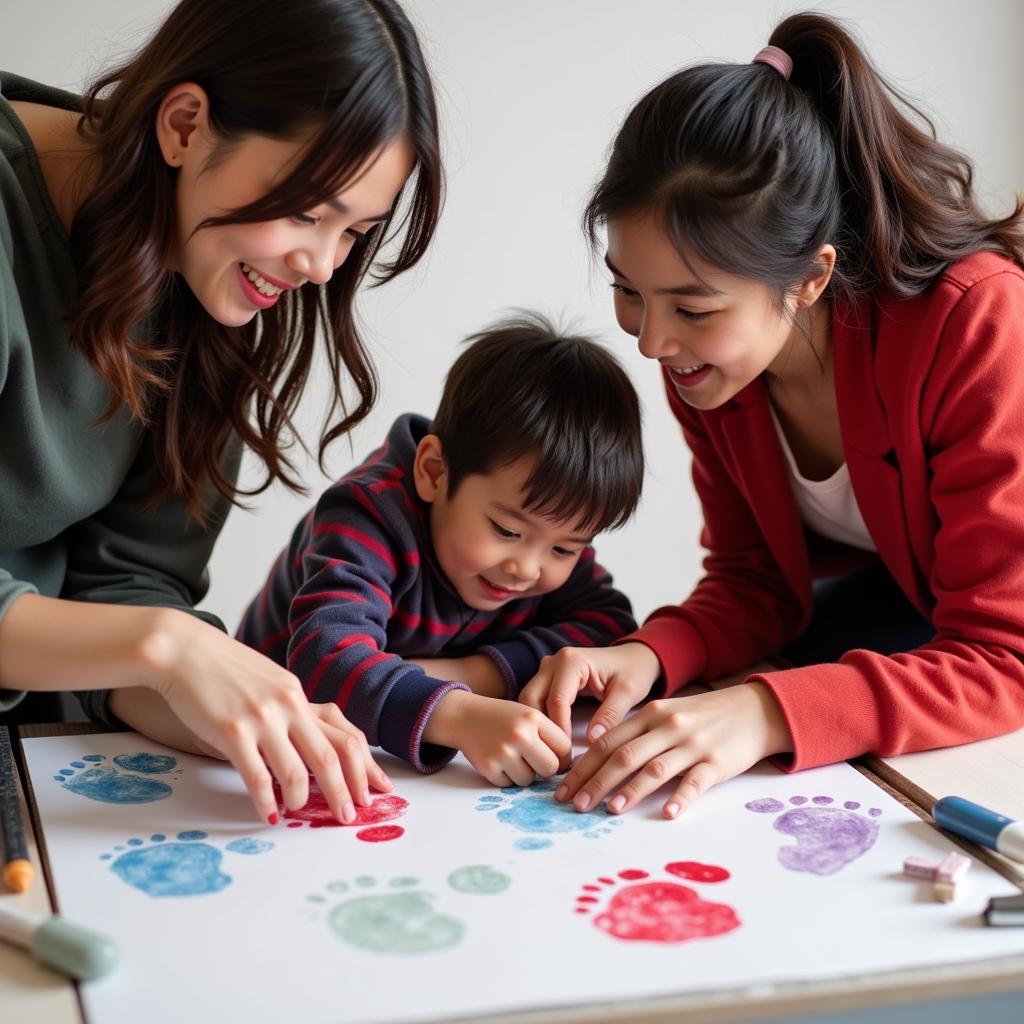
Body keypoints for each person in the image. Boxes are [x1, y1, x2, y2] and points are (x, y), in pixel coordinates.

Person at [520, 11, 1024, 820]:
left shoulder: (975, 321)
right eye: (627, 290)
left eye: (691, 304)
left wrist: (762, 711)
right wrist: (651, 654)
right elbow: (757, 581)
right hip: (914, 618)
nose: (651, 340)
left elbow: (1005, 655)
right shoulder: (712, 362)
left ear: (811, 278)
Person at [0, 0, 444, 825]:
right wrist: (170, 649)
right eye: (307, 211)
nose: (319, 265)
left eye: (356, 230)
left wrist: (238, 714)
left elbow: (131, 582)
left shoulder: (209, 280)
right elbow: (145, 637)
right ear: (184, 125)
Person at [238, 313, 642, 786]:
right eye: (506, 531)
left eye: (566, 549)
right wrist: (461, 714)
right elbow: (324, 659)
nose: (527, 568)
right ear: (433, 471)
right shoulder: (367, 515)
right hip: (256, 744)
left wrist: (474, 673)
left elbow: (609, 632)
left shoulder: (542, 527)